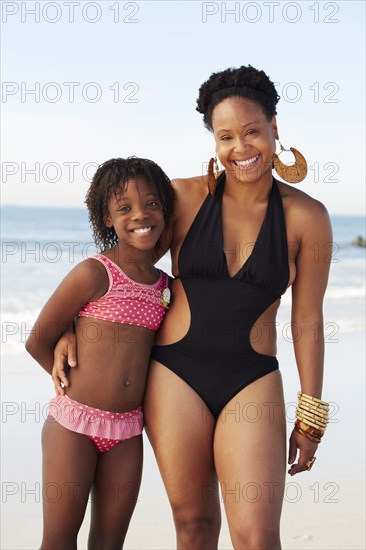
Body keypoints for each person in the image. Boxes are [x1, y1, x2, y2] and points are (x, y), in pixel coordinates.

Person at [53, 66, 332, 550]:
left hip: (252, 377)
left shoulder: (308, 217)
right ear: (214, 141)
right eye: (226, 136)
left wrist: (311, 416)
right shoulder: (183, 197)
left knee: (257, 537)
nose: (241, 148)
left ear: (274, 129)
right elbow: (126, 270)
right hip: (174, 375)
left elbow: (307, 320)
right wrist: (70, 325)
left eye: (252, 132)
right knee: (195, 528)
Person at [25, 157, 175, 549]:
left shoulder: (166, 285)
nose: (140, 215)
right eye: (123, 208)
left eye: (152, 204)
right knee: (59, 540)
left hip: (127, 432)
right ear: (106, 218)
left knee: (109, 543)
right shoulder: (95, 273)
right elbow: (38, 338)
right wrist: (64, 362)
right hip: (74, 424)